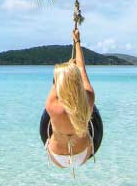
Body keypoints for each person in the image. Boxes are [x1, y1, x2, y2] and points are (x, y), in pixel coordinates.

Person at [44, 28, 95, 171]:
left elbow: (55, 84)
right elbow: (82, 69)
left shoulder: (51, 105)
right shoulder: (89, 98)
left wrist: (62, 74)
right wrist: (77, 41)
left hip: (57, 157)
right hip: (83, 154)